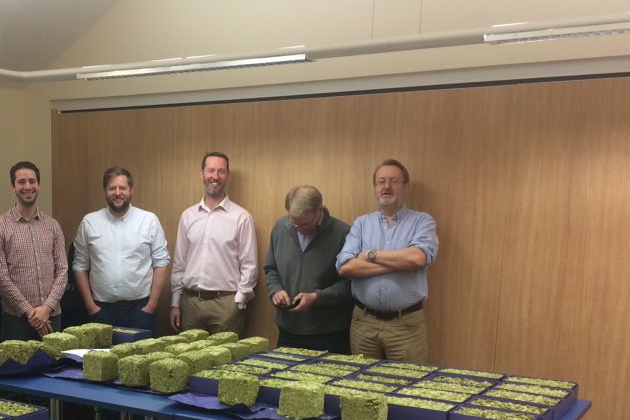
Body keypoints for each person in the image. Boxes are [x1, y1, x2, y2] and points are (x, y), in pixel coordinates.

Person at [73, 166, 169, 420]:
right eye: (112, 188)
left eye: (122, 188)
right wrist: (90, 306)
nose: (118, 193)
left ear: (131, 190)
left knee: (141, 374)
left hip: (140, 311)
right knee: (105, 376)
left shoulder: (148, 220)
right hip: (103, 312)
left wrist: (152, 304)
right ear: (105, 191)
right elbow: (79, 265)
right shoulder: (90, 222)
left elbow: (161, 262)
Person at [0, 161, 69, 420]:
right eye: (21, 182)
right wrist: (29, 311)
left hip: (52, 320)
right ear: (13, 186)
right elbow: (0, 277)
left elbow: (62, 270)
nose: (27, 187)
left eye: (32, 181)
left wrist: (46, 308)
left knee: (49, 386)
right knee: (12, 389)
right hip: (16, 321)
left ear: (39, 184)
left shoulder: (52, 225)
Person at [335, 159, 438, 362]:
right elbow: (345, 266)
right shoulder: (361, 224)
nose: (387, 187)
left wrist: (370, 255)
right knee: (363, 380)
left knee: (407, 380)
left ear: (405, 187)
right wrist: (399, 263)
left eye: (394, 181)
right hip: (364, 323)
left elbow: (417, 258)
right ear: (375, 187)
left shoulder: (423, 221)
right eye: (381, 181)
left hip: (406, 326)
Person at [169, 151, 257, 335]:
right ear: (202, 173)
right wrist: (175, 303)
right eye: (210, 170)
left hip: (226, 306)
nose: (215, 177)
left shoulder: (241, 217)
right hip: (190, 305)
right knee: (190, 353)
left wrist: (238, 302)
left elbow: (249, 265)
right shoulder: (188, 216)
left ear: (228, 175)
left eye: (221, 171)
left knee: (227, 354)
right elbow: (179, 264)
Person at [264, 185, 353, 353]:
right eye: (294, 223)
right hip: (289, 329)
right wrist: (276, 291)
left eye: (305, 226)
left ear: (319, 211)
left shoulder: (343, 233)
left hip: (329, 332)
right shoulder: (281, 227)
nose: (299, 229)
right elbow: (271, 269)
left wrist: (316, 297)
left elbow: (349, 284)